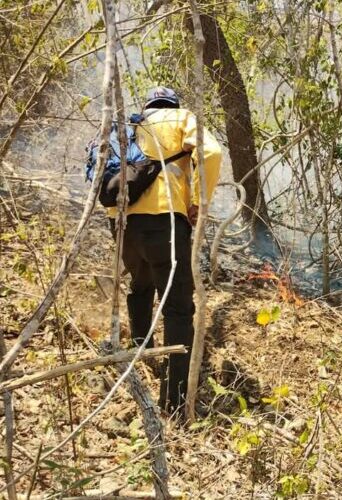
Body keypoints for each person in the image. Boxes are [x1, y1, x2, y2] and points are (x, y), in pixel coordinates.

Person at [113, 86, 221, 414]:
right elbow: (211, 152)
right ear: (173, 104)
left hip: (121, 223)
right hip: (163, 220)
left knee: (141, 285)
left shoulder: (130, 126)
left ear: (148, 105)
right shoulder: (181, 118)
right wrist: (199, 202)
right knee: (177, 309)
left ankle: (140, 353)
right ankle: (174, 403)